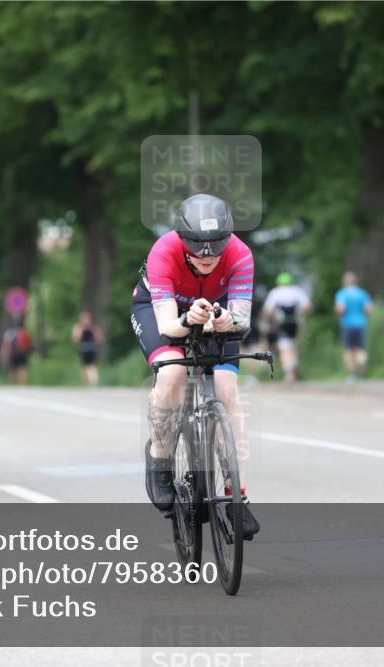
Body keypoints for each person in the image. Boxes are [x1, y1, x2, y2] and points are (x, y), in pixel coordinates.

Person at [130, 193, 259, 539]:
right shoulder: (164, 252)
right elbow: (169, 327)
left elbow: (243, 320)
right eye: (198, 250)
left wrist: (228, 320)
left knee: (227, 390)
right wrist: (189, 318)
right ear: (184, 242)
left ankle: (236, 495)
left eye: (216, 249)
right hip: (166, 312)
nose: (207, 257)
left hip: (216, 314)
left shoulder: (241, 254)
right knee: (172, 372)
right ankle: (159, 457)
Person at [262, 272, 311, 384]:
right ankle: (294, 370)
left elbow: (267, 311)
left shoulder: (275, 292)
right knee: (292, 346)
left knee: (284, 347)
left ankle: (289, 373)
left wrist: (272, 318)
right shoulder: (297, 291)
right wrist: (299, 314)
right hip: (296, 323)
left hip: (282, 324)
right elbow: (307, 306)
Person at [334, 272, 372, 382]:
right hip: (360, 324)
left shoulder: (342, 293)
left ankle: (352, 374)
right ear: (356, 282)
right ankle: (362, 364)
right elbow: (368, 309)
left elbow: (340, 309)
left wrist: (338, 314)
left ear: (345, 282)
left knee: (348, 350)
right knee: (360, 348)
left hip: (347, 324)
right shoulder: (362, 293)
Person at [72, 311, 104, 386]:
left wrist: (95, 335)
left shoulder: (94, 328)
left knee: (92, 365)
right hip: (83, 348)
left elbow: (100, 339)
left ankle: (93, 381)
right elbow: (75, 340)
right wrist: (80, 331)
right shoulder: (78, 327)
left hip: (92, 348)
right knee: (84, 367)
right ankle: (86, 382)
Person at [1, 316, 31, 385]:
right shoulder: (25, 332)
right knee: (23, 368)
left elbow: (7, 344)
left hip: (13, 353)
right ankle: (23, 384)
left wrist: (6, 354)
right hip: (23, 353)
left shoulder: (10, 332)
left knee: (12, 369)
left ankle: (13, 384)